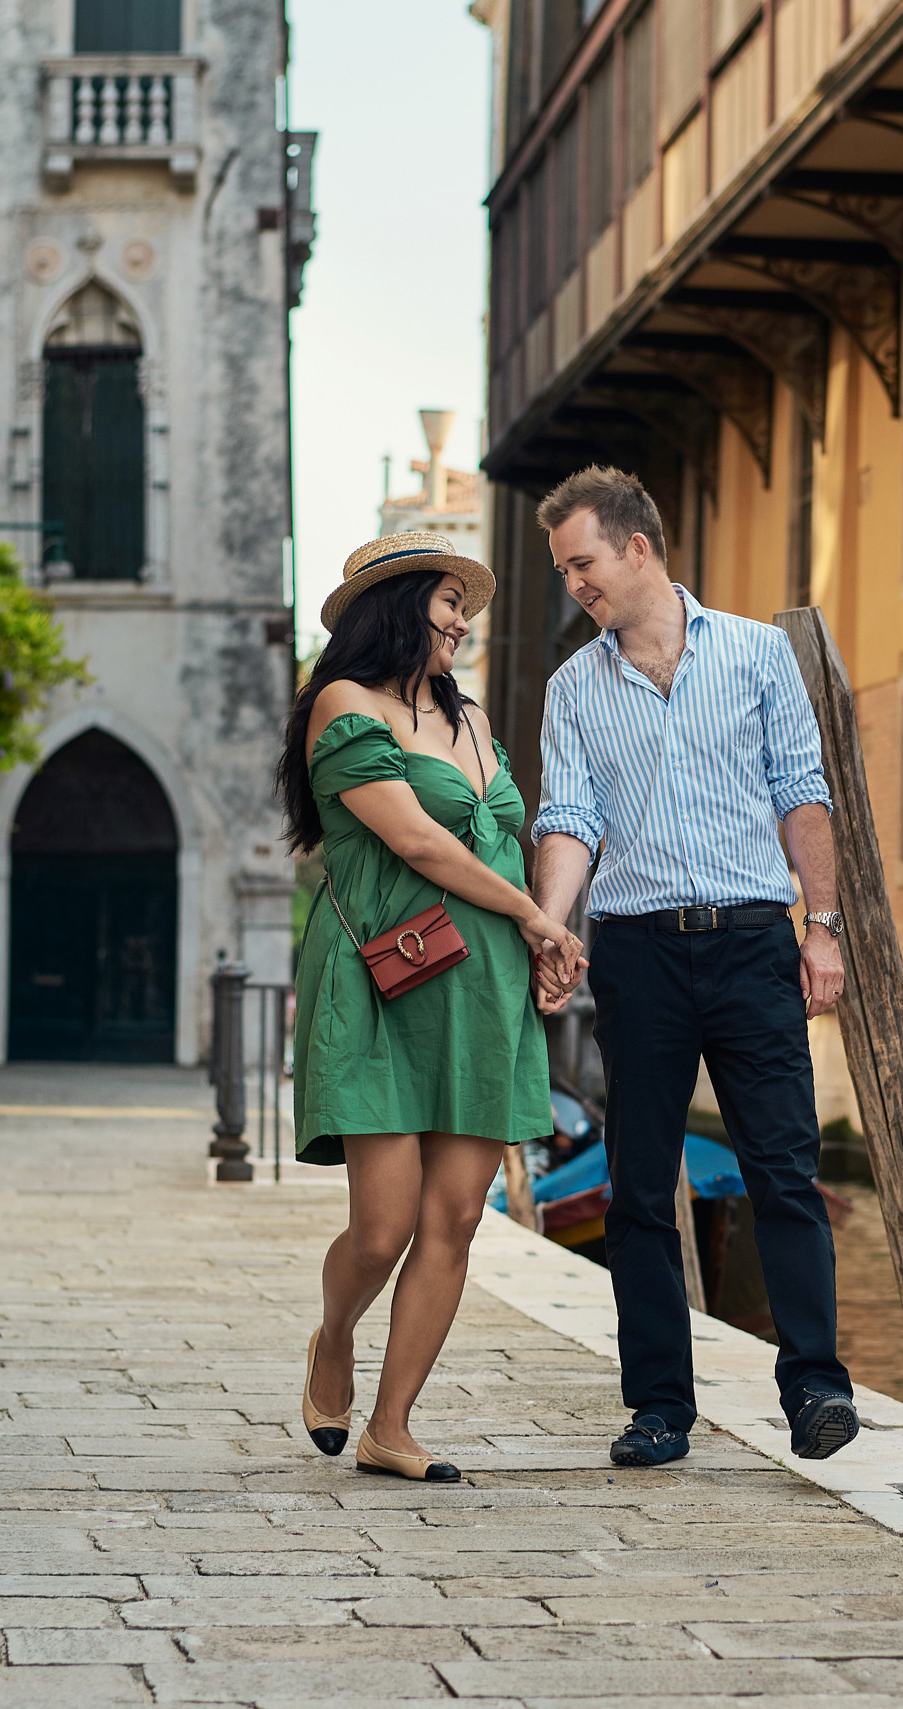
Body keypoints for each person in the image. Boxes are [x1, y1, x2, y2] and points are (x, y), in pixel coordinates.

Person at [527, 466, 859, 1467]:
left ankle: (814, 1389)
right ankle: (660, 1405)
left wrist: (824, 925)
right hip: (636, 953)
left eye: (581, 562)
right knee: (635, 1189)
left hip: (754, 939)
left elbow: (803, 790)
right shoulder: (571, 687)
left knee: (784, 1171)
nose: (573, 583)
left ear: (637, 546)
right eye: (563, 569)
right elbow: (570, 818)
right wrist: (551, 926)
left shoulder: (758, 655)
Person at [279, 530, 585, 1483]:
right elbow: (416, 840)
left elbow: (502, 845)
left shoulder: (476, 721)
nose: (463, 619)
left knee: (454, 1218)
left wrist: (543, 944)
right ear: (396, 604)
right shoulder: (342, 704)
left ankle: (392, 1425)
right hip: (379, 976)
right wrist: (538, 914)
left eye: (466, 604)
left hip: (483, 978)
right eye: (448, 601)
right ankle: (336, 1335)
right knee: (383, 1225)